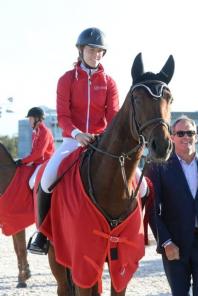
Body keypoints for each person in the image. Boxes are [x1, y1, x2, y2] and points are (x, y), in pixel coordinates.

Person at [27, 27, 120, 255]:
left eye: (100, 51)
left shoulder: (109, 82)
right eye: (91, 49)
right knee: (47, 179)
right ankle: (42, 233)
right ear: (81, 50)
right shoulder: (66, 79)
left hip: (101, 141)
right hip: (73, 139)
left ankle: (138, 229)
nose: (95, 54)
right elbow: (63, 116)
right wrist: (77, 134)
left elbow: (114, 117)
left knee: (139, 180)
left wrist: (104, 138)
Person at [147, 115, 198, 296]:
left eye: (190, 133)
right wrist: (166, 242)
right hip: (175, 246)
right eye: (180, 133)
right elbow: (152, 209)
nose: (185, 137)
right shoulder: (158, 166)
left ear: (196, 136)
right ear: (172, 137)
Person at [16, 107, 55, 189]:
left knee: (31, 182)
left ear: (37, 119)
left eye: (30, 119)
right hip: (36, 164)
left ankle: (37, 202)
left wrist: (23, 161)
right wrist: (24, 163)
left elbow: (39, 154)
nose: (29, 122)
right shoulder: (35, 133)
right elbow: (33, 153)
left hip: (45, 163)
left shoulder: (45, 132)